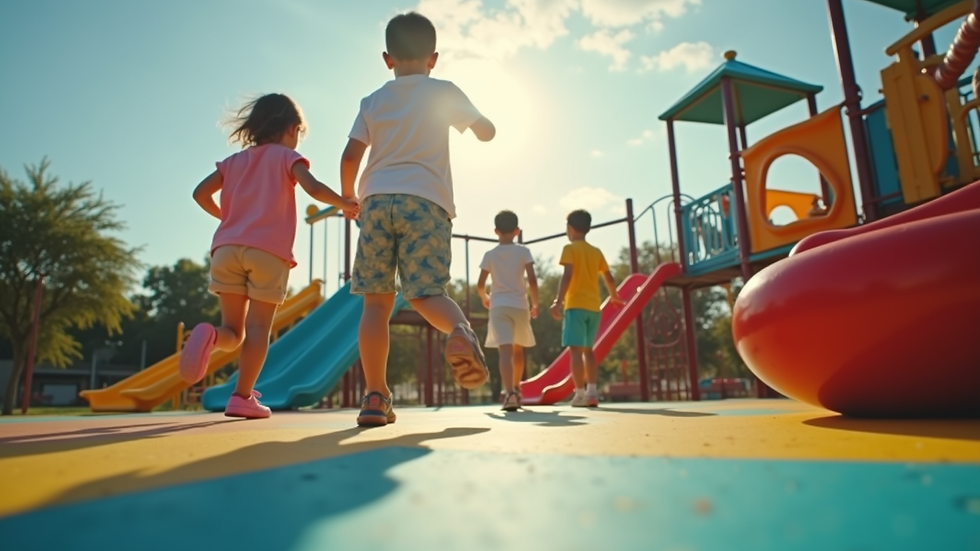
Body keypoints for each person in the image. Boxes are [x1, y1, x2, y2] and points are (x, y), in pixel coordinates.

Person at [340, 12, 497, 427]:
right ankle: (460, 330)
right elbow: (486, 131)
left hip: (374, 202)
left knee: (375, 304)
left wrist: (348, 197)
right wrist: (482, 124)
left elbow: (350, 156)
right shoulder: (442, 91)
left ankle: (375, 396)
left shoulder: (372, 101)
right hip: (426, 202)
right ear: (434, 57)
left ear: (387, 58)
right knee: (426, 293)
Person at [181, 93, 358, 419]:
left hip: (226, 250)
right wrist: (346, 203)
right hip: (268, 253)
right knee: (259, 328)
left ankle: (211, 335)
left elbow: (199, 194)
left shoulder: (234, 162)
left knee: (233, 333)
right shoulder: (287, 157)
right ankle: (242, 396)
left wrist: (227, 218)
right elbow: (314, 188)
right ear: (291, 129)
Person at [550, 209, 623, 407]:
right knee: (589, 351)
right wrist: (614, 297)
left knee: (575, 352)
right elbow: (609, 277)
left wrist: (558, 301)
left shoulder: (570, 249)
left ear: (570, 229)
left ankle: (579, 393)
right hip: (594, 308)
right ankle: (592, 392)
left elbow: (567, 275)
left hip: (575, 306)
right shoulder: (596, 252)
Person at [477, 210, 539, 411]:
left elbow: (480, 284)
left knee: (505, 351)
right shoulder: (523, 252)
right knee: (518, 349)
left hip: (499, 305)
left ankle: (509, 393)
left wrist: (485, 297)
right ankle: (517, 388)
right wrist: (535, 303)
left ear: (495, 231)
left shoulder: (490, 255)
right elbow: (532, 280)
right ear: (517, 231)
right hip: (520, 305)